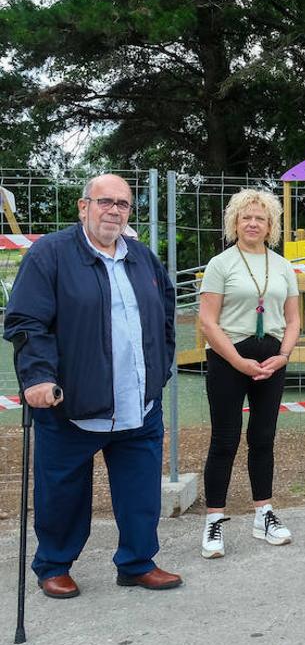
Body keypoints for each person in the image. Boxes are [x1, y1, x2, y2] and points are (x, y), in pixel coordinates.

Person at [3, 174, 180, 597]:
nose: (115, 210)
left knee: (140, 494)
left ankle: (137, 562)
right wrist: (39, 377)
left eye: (123, 203)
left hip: (138, 404)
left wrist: (160, 371)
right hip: (71, 404)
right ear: (84, 207)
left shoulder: (141, 258)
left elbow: (166, 315)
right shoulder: (50, 255)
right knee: (61, 494)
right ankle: (53, 564)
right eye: (105, 201)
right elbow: (27, 322)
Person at [198, 189, 300, 557]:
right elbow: (208, 322)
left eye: (260, 218)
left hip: (270, 359)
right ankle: (213, 521)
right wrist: (237, 362)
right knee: (224, 439)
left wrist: (284, 355)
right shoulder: (220, 264)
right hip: (229, 358)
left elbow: (293, 320)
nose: (253, 223)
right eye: (246, 217)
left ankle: (264, 512)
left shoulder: (283, 265)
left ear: (270, 224)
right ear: (235, 223)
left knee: (263, 437)